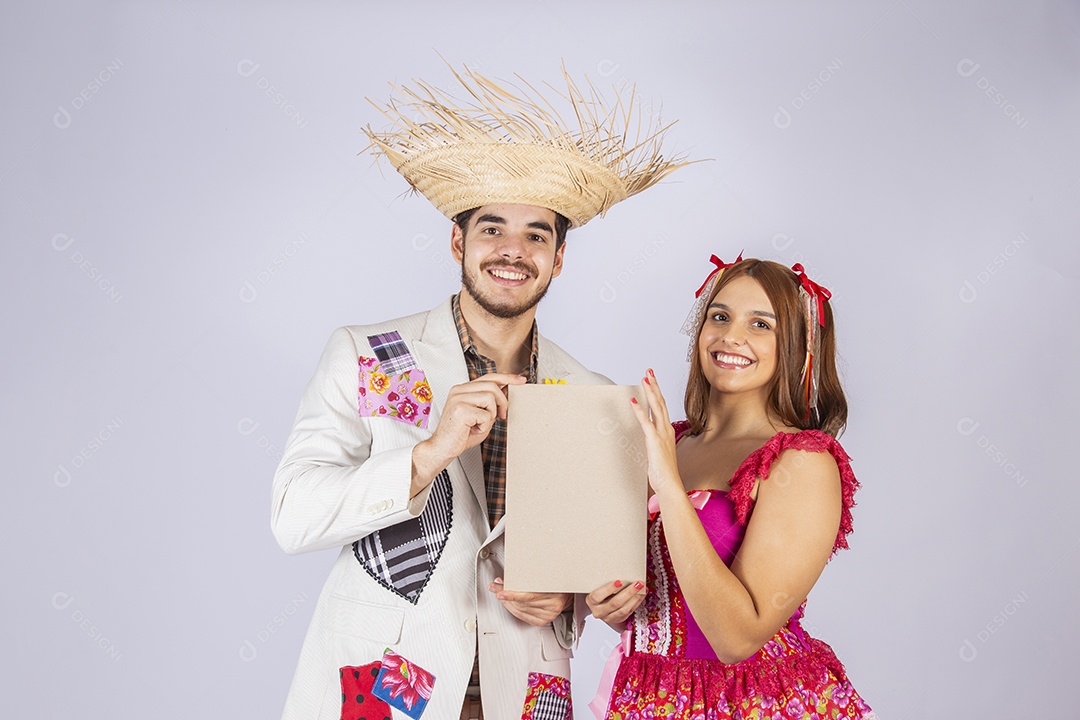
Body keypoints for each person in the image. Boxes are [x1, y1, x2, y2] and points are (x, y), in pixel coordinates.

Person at [271, 66, 688, 720]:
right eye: (492, 228)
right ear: (458, 240)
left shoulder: (595, 397)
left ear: (558, 258)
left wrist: (579, 600)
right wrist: (427, 453)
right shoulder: (371, 355)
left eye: (537, 235)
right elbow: (294, 515)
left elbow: (602, 572)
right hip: (383, 691)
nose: (512, 251)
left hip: (524, 694)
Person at [587, 257, 876, 719]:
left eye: (760, 324)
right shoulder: (670, 441)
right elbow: (666, 600)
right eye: (719, 316)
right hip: (646, 695)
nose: (731, 336)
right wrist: (612, 606)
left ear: (796, 348)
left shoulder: (801, 461)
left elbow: (736, 638)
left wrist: (666, 480)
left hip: (755, 702)